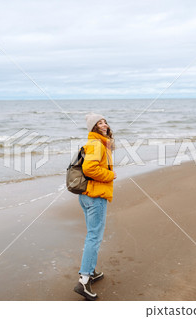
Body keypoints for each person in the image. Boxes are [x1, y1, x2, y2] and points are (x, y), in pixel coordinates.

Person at [73, 112, 117, 301]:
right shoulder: (96, 144)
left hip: (87, 195)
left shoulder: (97, 143)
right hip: (95, 196)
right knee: (94, 237)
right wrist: (110, 176)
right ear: (93, 127)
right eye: (99, 122)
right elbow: (89, 168)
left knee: (92, 234)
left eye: (105, 121)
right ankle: (84, 280)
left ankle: (90, 271)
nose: (104, 124)